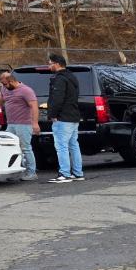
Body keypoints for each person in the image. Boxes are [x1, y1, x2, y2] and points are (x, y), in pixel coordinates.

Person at [0, 70, 41, 181]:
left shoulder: (26, 90)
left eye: (5, 84)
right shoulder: (4, 89)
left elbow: (34, 107)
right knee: (11, 148)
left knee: (25, 148)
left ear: (11, 81)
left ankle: (31, 172)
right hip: (11, 124)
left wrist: (35, 123)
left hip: (24, 124)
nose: (4, 86)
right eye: (2, 84)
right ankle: (17, 172)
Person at [46, 51, 83, 183]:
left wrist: (52, 114)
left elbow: (57, 99)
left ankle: (65, 174)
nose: (49, 66)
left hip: (62, 118)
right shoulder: (72, 77)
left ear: (57, 64)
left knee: (61, 146)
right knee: (74, 145)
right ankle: (78, 173)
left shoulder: (59, 79)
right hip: (73, 116)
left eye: (50, 64)